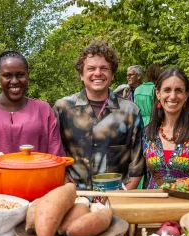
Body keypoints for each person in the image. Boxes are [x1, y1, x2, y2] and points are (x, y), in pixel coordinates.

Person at [0, 51, 65, 194]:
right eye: (7, 76)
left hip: (36, 195)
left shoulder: (43, 109)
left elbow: (56, 158)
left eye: (20, 75)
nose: (15, 81)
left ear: (27, 75)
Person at [53, 41, 145, 190]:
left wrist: (123, 195)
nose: (97, 73)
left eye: (104, 68)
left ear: (112, 74)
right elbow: (53, 152)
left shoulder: (130, 112)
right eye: (91, 68)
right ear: (81, 75)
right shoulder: (62, 108)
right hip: (73, 196)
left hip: (115, 197)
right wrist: (61, 177)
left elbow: (137, 164)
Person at [143, 68, 189, 189]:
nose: (172, 96)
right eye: (167, 90)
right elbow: (146, 176)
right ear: (158, 93)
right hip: (153, 203)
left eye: (179, 90)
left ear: (186, 95)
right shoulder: (148, 132)